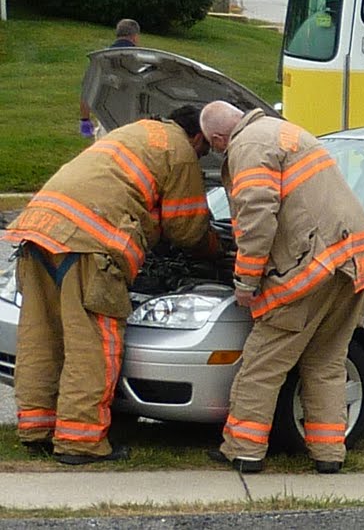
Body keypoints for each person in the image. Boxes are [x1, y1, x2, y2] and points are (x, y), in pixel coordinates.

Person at [4, 105, 218, 464]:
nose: (201, 157)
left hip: (39, 230)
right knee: (92, 343)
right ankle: (80, 441)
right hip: (90, 243)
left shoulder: (135, 133)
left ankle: (38, 427)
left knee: (42, 336)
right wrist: (217, 249)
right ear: (196, 135)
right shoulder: (180, 151)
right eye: (205, 150)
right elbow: (186, 228)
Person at [198, 101, 364, 475]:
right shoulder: (284, 131)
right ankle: (329, 453)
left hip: (311, 268)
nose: (215, 151)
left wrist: (247, 281)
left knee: (262, 364)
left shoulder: (249, 146)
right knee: (327, 363)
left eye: (212, 146)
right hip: (355, 261)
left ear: (220, 137)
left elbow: (256, 217)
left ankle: (244, 450)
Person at [78, 19, 141, 139]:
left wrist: (85, 120)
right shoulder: (140, 59)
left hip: (106, 121)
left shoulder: (100, 59)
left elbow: (87, 91)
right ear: (135, 37)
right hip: (133, 122)